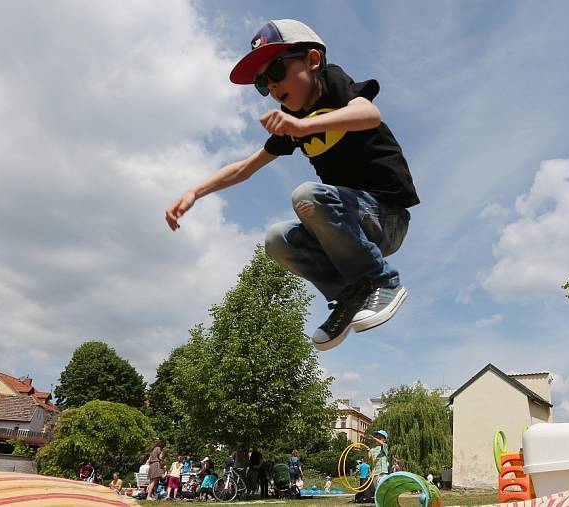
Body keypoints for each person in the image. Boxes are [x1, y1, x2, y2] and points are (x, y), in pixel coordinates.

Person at [165, 19, 419, 352]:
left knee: (307, 197)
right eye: (262, 83)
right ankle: (350, 295)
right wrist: (194, 192)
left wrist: (302, 126)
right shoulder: (290, 122)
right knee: (276, 240)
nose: (271, 86)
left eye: (277, 71)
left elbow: (368, 114)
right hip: (348, 230)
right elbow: (244, 167)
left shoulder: (332, 83)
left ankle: (383, 281)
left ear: (312, 60)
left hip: (386, 217)